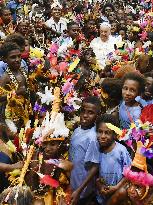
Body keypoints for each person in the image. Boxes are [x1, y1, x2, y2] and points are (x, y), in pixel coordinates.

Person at [69, 96, 101, 205]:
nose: (85, 115)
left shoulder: (92, 137)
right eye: (83, 111)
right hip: (72, 181)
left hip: (81, 188)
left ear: (97, 116)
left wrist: (79, 191)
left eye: (90, 113)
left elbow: (95, 167)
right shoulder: (78, 129)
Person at [96, 114, 131, 205]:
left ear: (115, 134)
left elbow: (129, 174)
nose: (103, 136)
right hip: (102, 194)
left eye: (107, 133)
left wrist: (116, 187)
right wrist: (100, 186)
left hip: (118, 193)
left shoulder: (121, 150)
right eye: (100, 132)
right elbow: (94, 173)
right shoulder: (96, 149)